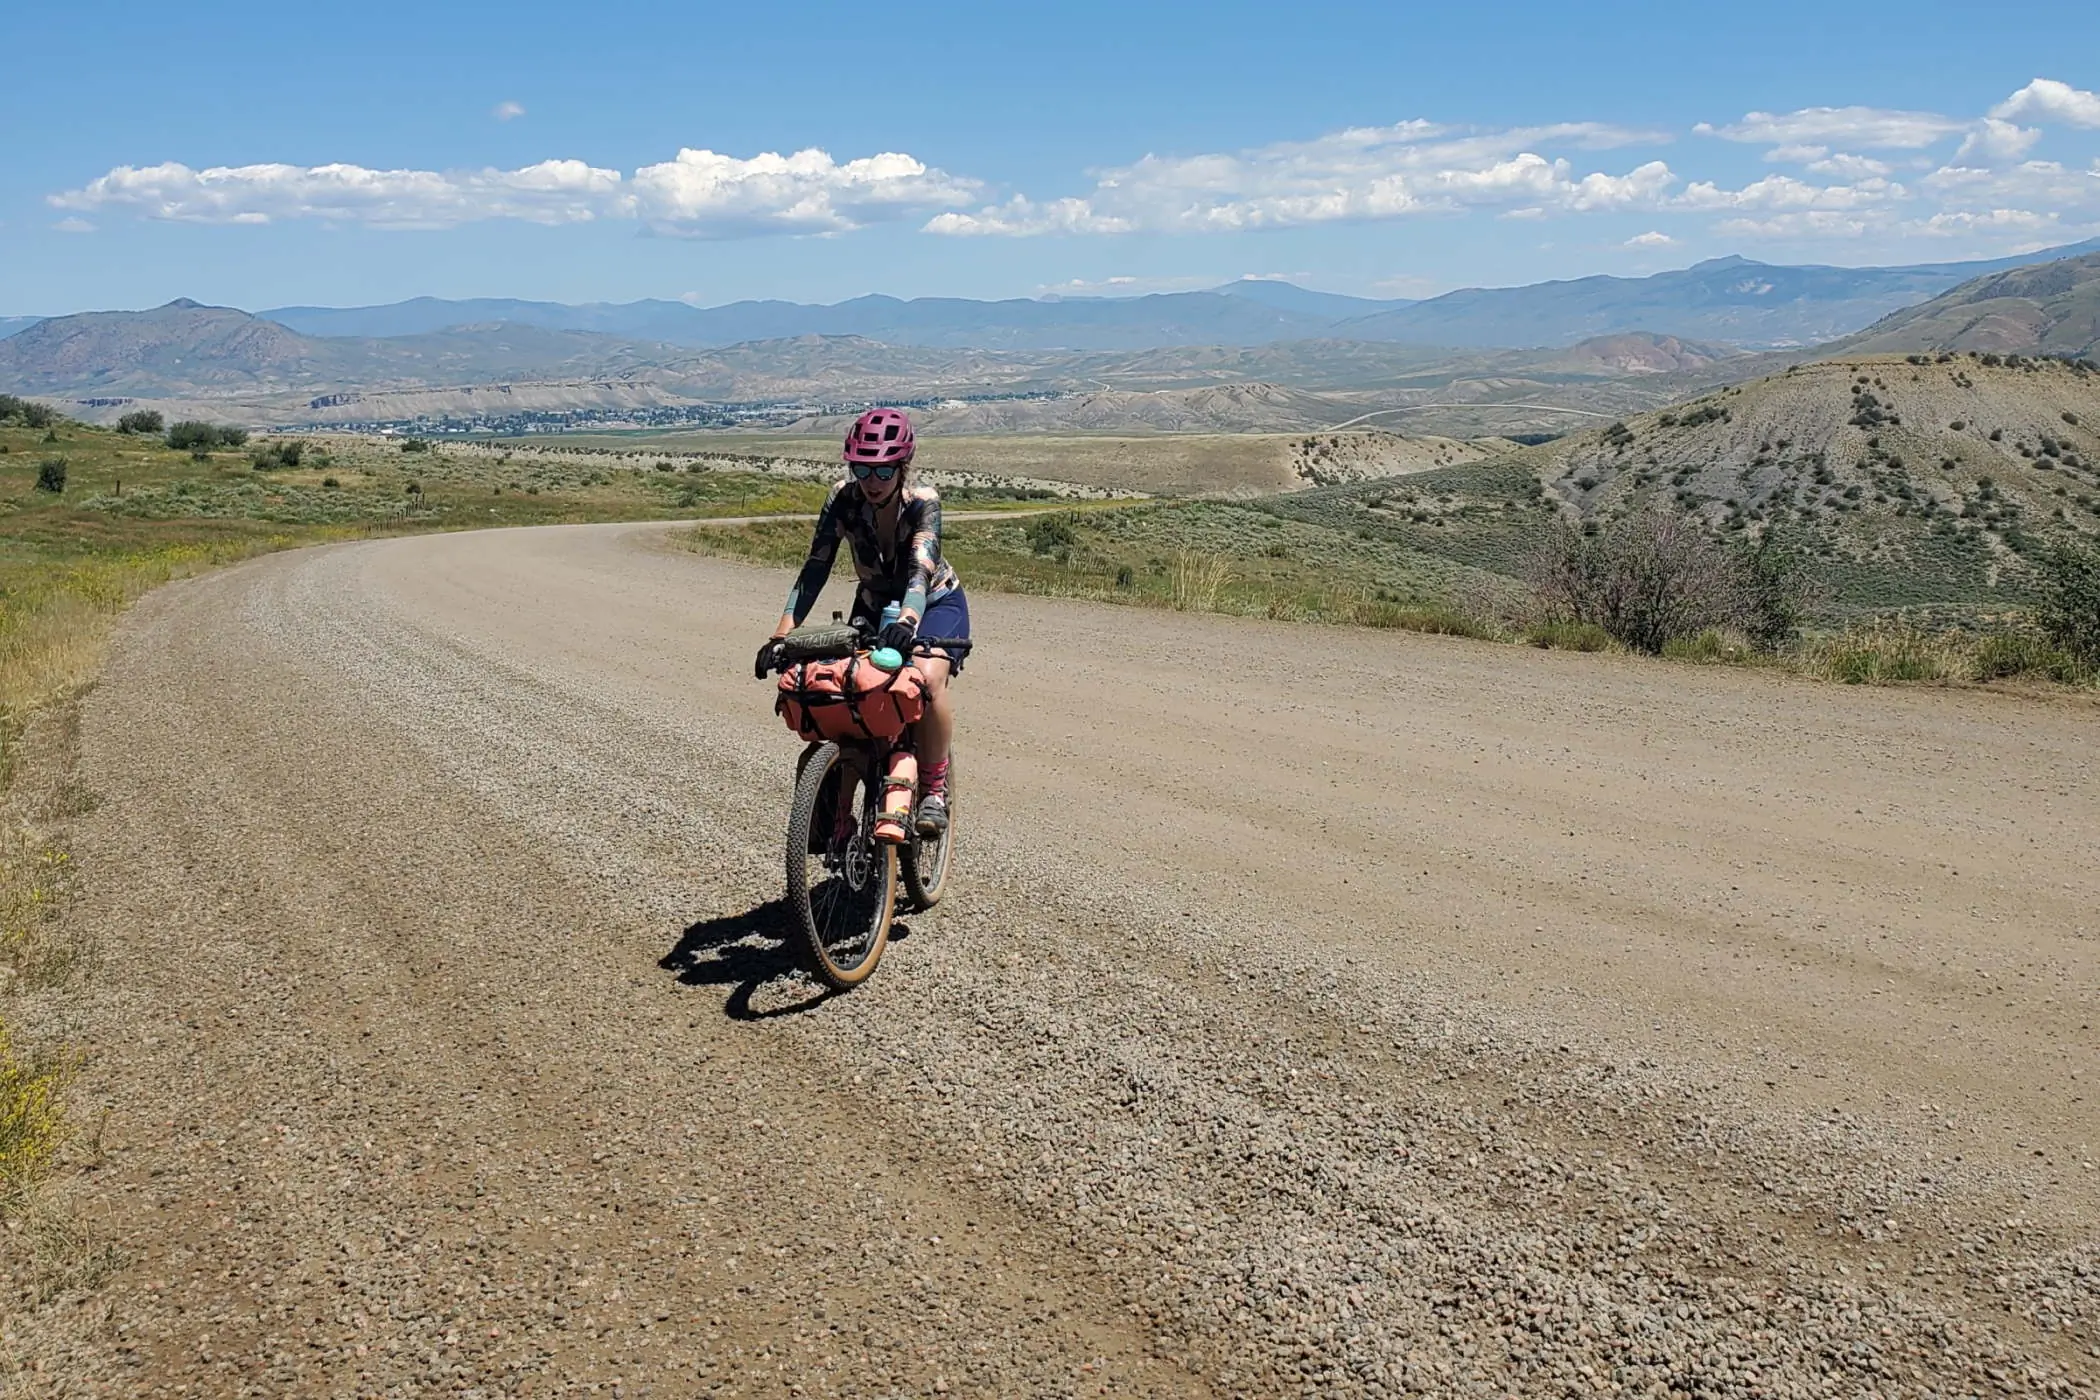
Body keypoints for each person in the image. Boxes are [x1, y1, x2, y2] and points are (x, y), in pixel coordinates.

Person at [756, 407, 966, 835]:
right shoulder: (843, 498)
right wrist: (782, 634)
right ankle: (835, 816)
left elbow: (920, 571)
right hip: (872, 602)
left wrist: (907, 621)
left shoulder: (923, 502)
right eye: (861, 469)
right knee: (848, 688)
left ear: (903, 467)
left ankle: (932, 791)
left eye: (884, 471)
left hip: (935, 602)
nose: (871, 482)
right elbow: (816, 567)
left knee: (926, 679)